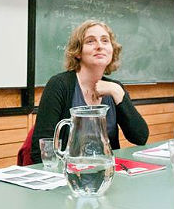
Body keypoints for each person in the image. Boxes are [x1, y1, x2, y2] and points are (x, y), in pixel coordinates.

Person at [31, 19, 149, 163]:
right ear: (78, 52)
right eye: (90, 41)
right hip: (69, 176)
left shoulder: (114, 88)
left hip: (105, 173)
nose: (99, 46)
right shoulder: (60, 85)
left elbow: (140, 137)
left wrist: (118, 92)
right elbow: (41, 150)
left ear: (112, 50)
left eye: (105, 41)